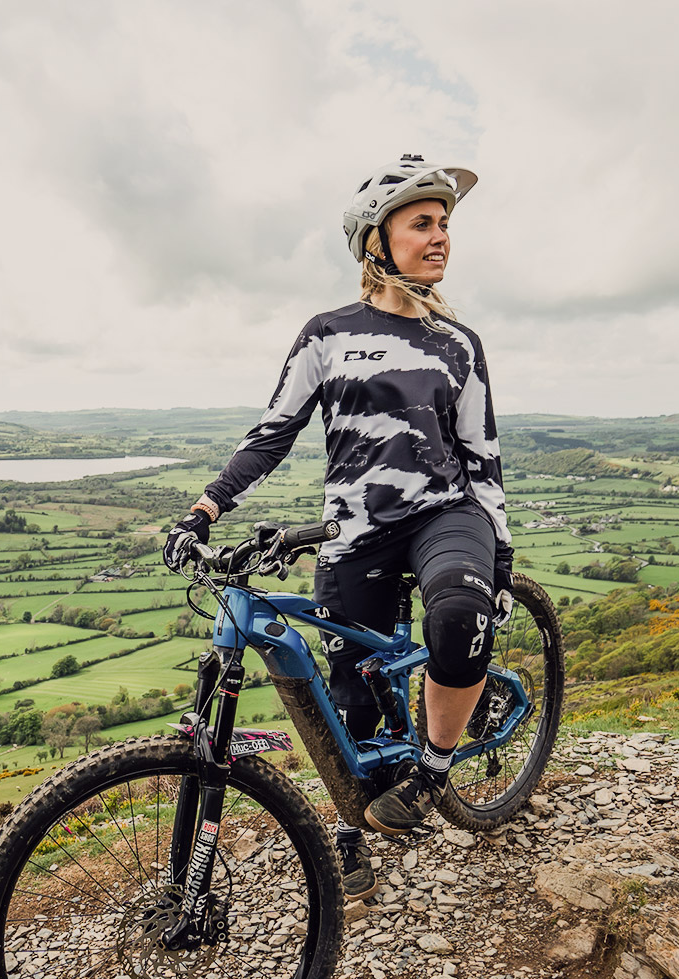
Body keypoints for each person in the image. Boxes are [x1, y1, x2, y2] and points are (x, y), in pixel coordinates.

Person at [162, 154, 513, 903]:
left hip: (445, 514)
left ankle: (433, 775)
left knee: (455, 614)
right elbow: (271, 434)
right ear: (376, 242)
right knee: (346, 693)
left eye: (445, 223)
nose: (441, 236)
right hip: (355, 527)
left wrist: (501, 554)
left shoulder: (460, 343)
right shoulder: (327, 334)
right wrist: (206, 508)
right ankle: (353, 823)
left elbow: (481, 457)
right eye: (423, 223)